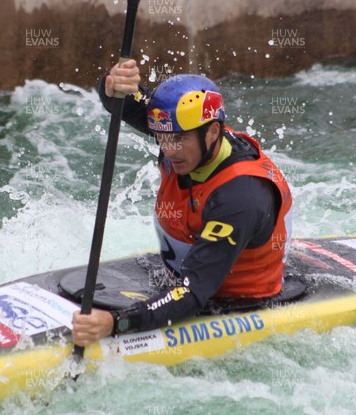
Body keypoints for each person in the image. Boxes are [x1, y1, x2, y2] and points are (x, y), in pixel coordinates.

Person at [72, 59, 292, 346]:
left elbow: (193, 294)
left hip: (231, 301)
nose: (168, 148)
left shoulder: (240, 197)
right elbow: (123, 103)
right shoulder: (186, 134)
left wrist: (115, 324)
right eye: (161, 137)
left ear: (213, 132)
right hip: (182, 275)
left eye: (177, 139)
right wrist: (113, 85)